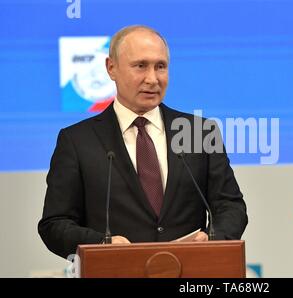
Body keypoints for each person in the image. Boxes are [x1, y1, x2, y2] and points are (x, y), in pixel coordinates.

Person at [38, 25, 248, 259]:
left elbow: (231, 206)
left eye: (161, 66)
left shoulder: (198, 132)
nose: (152, 79)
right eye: (140, 66)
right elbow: (55, 224)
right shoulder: (77, 141)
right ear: (111, 68)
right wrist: (101, 244)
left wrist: (213, 237)